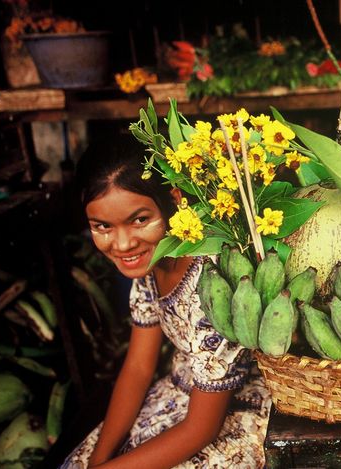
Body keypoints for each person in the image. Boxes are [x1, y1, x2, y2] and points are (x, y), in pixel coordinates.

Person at [62, 142, 271, 468]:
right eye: (103, 226)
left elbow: (201, 429)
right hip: (178, 393)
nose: (123, 243)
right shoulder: (151, 264)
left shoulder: (214, 283)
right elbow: (138, 368)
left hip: (231, 412)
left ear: (173, 201)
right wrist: (97, 461)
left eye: (139, 220)